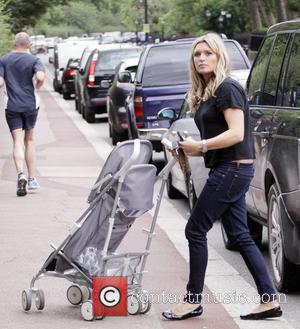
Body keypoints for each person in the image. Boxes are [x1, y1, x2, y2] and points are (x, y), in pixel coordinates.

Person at [162, 33, 282, 321]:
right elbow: (223, 138)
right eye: (197, 54)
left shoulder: (227, 88)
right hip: (228, 168)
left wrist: (201, 146)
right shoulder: (209, 92)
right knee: (241, 235)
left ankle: (192, 300)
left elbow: (237, 133)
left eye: (208, 53)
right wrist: (189, 148)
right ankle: (269, 300)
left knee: (195, 230)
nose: (201, 58)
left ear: (219, 57)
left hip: (232, 170)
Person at [0, 32, 45, 197]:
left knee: (17, 141)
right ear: (29, 45)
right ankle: (32, 179)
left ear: (14, 43)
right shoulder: (34, 60)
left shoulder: (4, 60)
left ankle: (21, 174)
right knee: (29, 139)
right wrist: (38, 85)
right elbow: (40, 76)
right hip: (30, 105)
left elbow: (0, 82)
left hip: (11, 105)